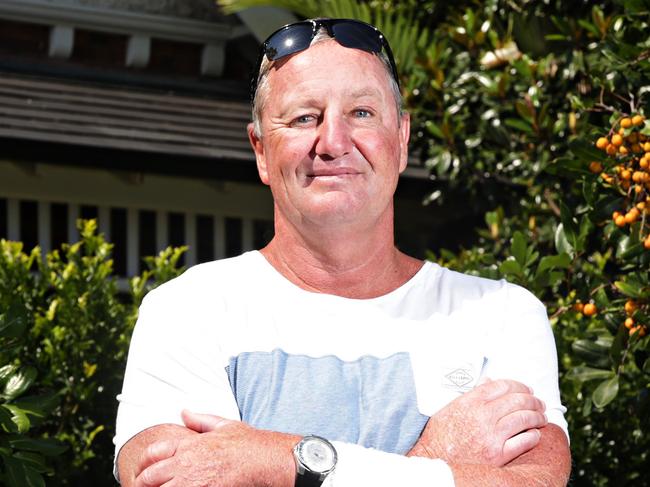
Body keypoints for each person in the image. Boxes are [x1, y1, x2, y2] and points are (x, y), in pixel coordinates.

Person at [114, 18, 571, 487]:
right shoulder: (188, 309)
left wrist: (280, 462)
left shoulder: (501, 315)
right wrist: (438, 457)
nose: (333, 143)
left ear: (401, 139)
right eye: (304, 118)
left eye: (362, 114)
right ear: (260, 151)